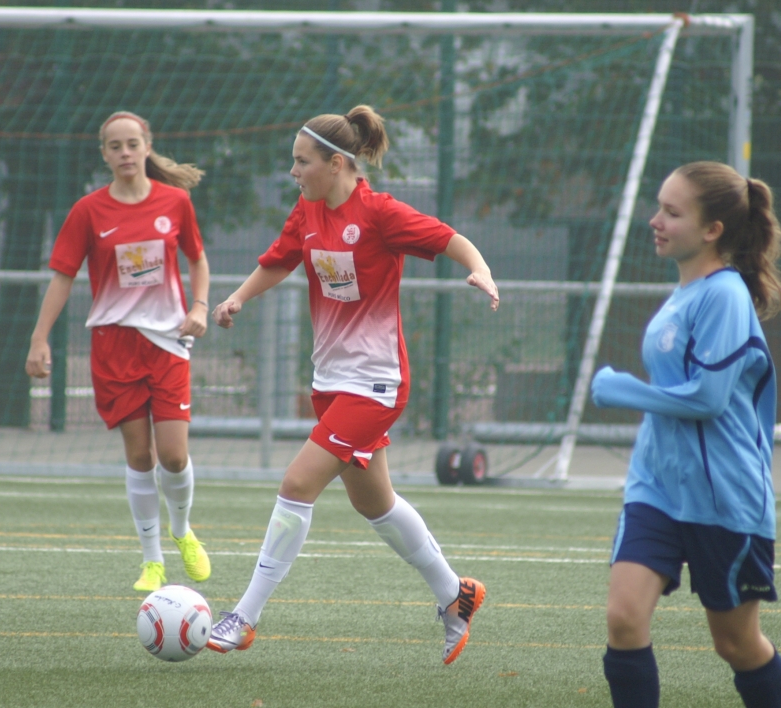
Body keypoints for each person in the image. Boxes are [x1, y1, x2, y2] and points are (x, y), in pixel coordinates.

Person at [207, 105, 500, 664]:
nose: (293, 171)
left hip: (376, 384)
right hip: (331, 382)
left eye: (302, 161)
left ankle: (244, 616)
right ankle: (456, 594)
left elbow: (451, 240)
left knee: (297, 484)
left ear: (336, 164)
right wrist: (238, 298)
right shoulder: (307, 209)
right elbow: (280, 260)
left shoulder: (379, 213)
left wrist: (480, 269)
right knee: (374, 503)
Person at [590, 161, 781, 708]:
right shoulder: (682, 293)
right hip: (657, 488)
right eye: (659, 207)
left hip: (725, 497)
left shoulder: (725, 296)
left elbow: (708, 399)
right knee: (624, 619)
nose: (655, 221)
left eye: (672, 212)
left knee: (734, 643)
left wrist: (623, 390)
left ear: (713, 230)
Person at [25, 110, 211, 593]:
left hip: (167, 343)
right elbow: (62, 277)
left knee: (174, 456)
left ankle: (182, 530)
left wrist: (200, 306)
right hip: (114, 346)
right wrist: (39, 338)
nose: (125, 153)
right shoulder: (88, 211)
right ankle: (152, 560)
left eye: (132, 144)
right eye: (115, 146)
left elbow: (197, 259)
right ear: (104, 155)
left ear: (147, 146)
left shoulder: (176, 201)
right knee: (140, 455)